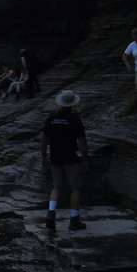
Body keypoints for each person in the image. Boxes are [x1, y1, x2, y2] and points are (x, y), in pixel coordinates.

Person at [40, 89, 89, 231]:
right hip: (71, 158)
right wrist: (85, 159)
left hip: (55, 157)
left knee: (57, 187)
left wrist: (44, 157)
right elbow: (81, 141)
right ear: (72, 103)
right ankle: (74, 219)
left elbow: (43, 138)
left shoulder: (52, 118)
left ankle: (51, 213)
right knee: (76, 188)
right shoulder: (74, 120)